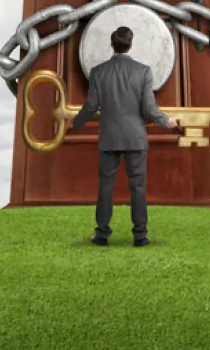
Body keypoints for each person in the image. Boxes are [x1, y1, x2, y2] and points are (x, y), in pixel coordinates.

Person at [66, 26, 181, 247]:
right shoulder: (143, 72)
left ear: (112, 45)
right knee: (138, 187)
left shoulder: (98, 72)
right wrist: (166, 121)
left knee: (105, 187)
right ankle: (140, 235)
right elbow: (149, 108)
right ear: (131, 44)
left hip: (109, 137)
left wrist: (75, 123)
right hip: (135, 137)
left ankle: (102, 234)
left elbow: (90, 106)